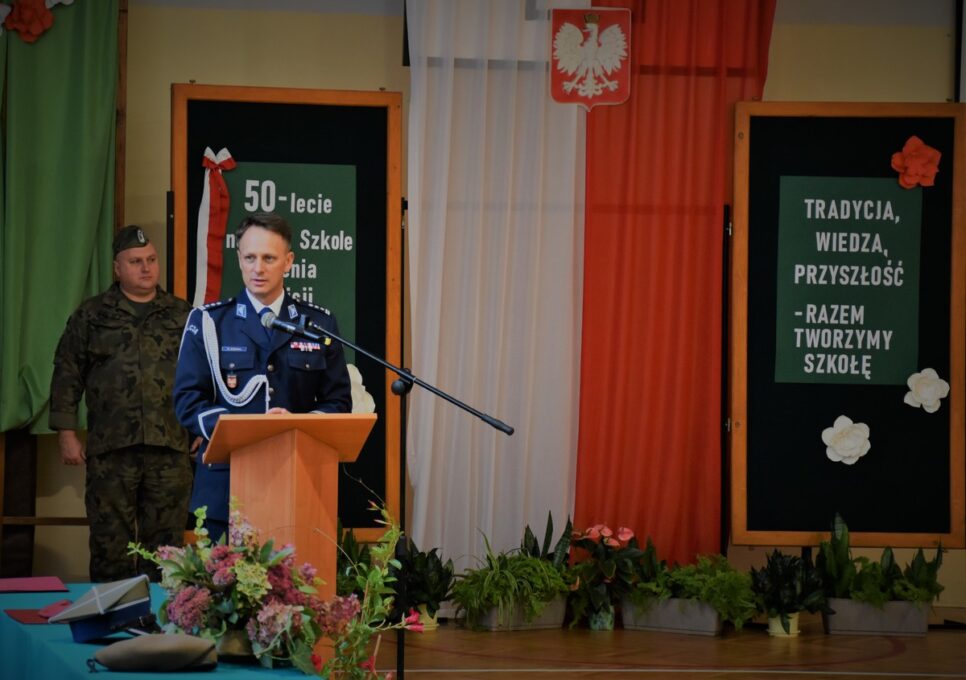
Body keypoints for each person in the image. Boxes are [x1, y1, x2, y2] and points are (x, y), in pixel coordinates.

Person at [174, 212, 351, 540]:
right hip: (225, 491)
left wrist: (296, 424)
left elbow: (338, 402)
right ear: (239, 259)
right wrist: (245, 430)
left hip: (300, 484)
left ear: (288, 262)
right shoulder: (210, 322)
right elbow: (187, 402)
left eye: (269, 258)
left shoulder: (317, 325)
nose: (258, 268)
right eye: (250, 257)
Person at [49, 225, 194, 582]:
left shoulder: (182, 315)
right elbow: (67, 372)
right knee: (110, 546)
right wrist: (67, 433)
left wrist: (203, 427)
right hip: (112, 450)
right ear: (117, 268)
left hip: (169, 447)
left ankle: (163, 630)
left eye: (151, 260)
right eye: (135, 261)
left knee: (166, 551)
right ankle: (110, 631)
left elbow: (203, 375)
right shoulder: (93, 315)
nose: (146, 268)